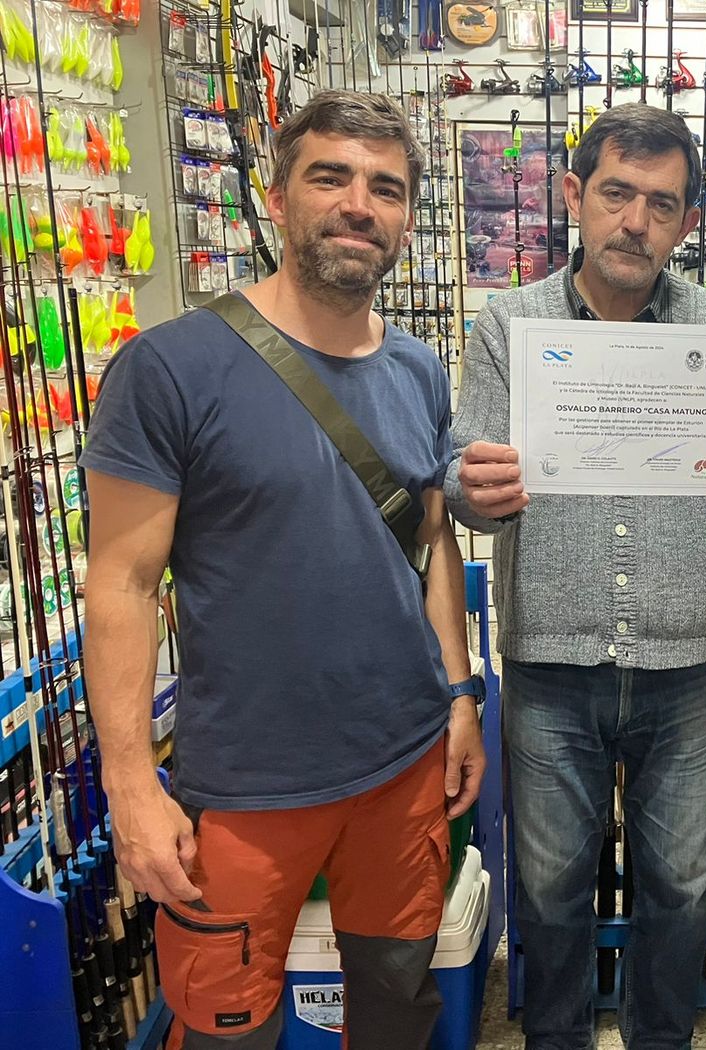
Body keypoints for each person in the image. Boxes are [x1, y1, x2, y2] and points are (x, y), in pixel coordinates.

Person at [82, 91, 486, 1050]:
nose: (359, 204)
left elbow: (431, 543)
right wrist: (131, 784)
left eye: (386, 188)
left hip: (404, 764)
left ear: (406, 218)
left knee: (392, 1012)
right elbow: (122, 584)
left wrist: (460, 698)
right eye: (330, 176)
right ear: (275, 196)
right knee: (227, 1027)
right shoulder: (169, 369)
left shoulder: (422, 372)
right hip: (248, 789)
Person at [445, 102, 706, 1050]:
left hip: (689, 663)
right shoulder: (508, 325)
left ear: (687, 222)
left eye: (662, 203)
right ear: (574, 197)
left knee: (680, 888)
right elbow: (462, 479)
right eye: (617, 195)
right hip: (552, 659)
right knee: (550, 890)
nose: (636, 221)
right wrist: (474, 486)